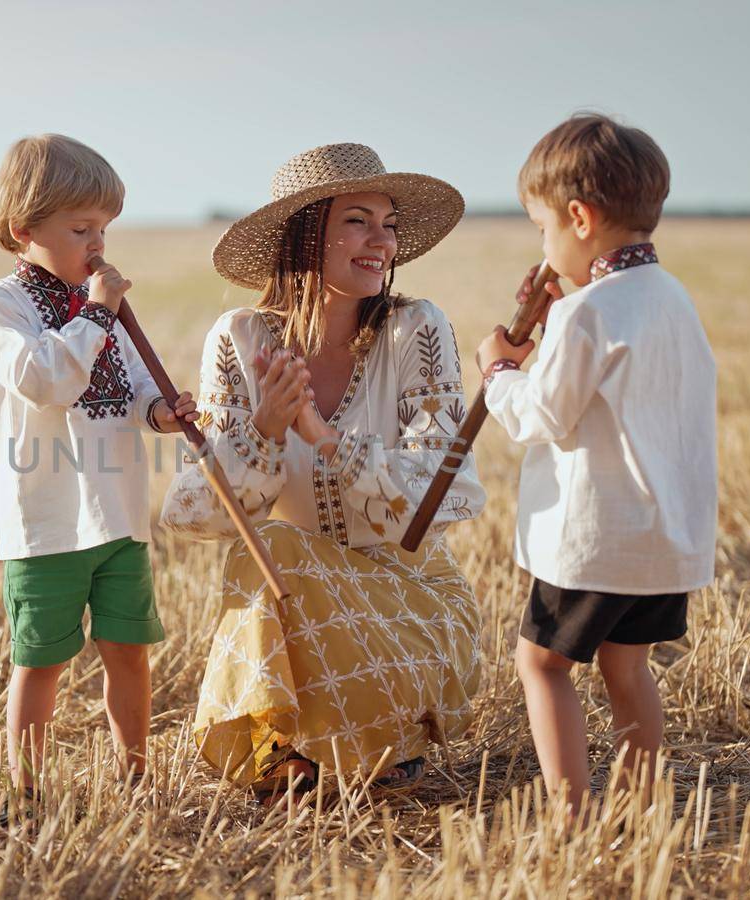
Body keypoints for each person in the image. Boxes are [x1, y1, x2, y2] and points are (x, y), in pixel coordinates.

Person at [162, 142, 485, 803]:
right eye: (358, 221)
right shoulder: (240, 339)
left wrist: (331, 442)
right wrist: (263, 434)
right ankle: (279, 749)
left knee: (282, 550)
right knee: (272, 550)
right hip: (300, 619)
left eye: (388, 224)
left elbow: (445, 494)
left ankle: (376, 736)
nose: (382, 242)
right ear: (307, 235)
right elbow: (194, 511)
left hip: (410, 607)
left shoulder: (416, 330)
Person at [476, 113, 718, 815]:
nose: (543, 245)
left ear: (578, 218)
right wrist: (553, 322)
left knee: (542, 664)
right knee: (627, 663)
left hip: (595, 538)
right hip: (661, 534)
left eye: (542, 228)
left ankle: (570, 815)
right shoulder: (671, 300)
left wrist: (497, 372)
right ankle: (641, 805)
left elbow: (542, 414)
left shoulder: (589, 313)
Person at [0, 134, 196, 822]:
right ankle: (25, 793)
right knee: (42, 661)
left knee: (129, 651)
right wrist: (96, 311)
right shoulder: (2, 309)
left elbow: (130, 394)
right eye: (80, 228)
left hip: (118, 512)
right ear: (24, 230)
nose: (98, 243)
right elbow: (46, 382)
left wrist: (163, 411)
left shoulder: (100, 310)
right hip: (47, 521)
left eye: (104, 228)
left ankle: (135, 777)